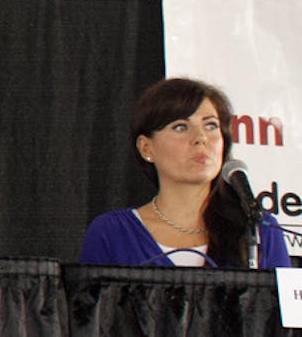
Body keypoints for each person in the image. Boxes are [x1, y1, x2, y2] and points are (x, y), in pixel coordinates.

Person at [78, 77, 290, 268]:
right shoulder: (112, 233)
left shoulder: (259, 230)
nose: (201, 138)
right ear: (146, 148)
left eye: (211, 126)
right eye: (180, 127)